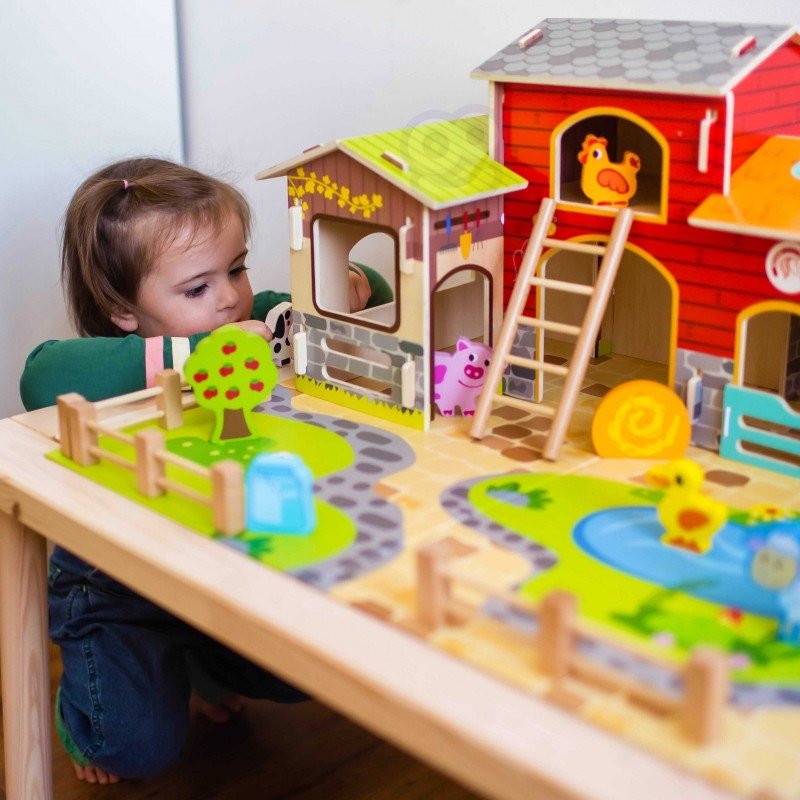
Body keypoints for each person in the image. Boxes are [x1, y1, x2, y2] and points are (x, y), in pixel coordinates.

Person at [19, 157, 388, 785]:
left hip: (217, 565)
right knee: (131, 750)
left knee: (314, 671)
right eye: (197, 288)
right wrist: (195, 357)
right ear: (122, 308)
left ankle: (200, 661)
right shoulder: (114, 360)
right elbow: (40, 374)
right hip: (116, 587)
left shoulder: (254, 318)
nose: (230, 296)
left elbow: (376, 290)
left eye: (237, 268)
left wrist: (346, 282)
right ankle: (84, 707)